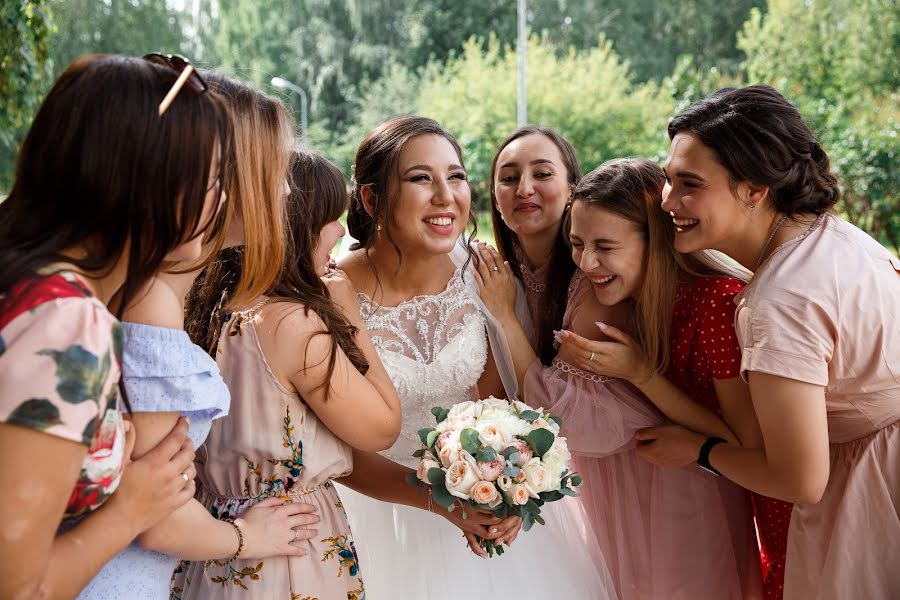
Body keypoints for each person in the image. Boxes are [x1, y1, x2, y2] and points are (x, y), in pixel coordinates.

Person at [636, 84, 900, 599]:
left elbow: (800, 480)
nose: (666, 199)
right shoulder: (832, 235)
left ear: (754, 190)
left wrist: (699, 449)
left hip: (877, 489)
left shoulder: (780, 300)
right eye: (668, 180)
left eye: (689, 184)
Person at [336, 116, 616, 600]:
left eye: (457, 176)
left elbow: (494, 411)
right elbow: (340, 453)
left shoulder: (480, 273)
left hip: (478, 508)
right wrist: (440, 502)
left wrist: (508, 490)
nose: (446, 196)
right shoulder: (337, 292)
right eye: (421, 178)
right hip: (379, 519)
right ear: (371, 198)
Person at [78, 72, 317, 599]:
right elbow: (155, 517)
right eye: (277, 169)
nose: (286, 187)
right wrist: (248, 537)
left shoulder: (162, 288)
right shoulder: (153, 301)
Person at [478, 156, 761, 599]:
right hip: (634, 495)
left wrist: (503, 318)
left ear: (657, 240)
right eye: (576, 244)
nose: (587, 262)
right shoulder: (609, 290)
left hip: (682, 498)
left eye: (605, 247)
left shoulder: (711, 302)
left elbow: (566, 419)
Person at [0, 53, 218, 598]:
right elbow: (17, 586)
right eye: (210, 179)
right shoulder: (68, 320)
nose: (220, 197)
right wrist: (131, 509)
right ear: (147, 179)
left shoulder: (27, 280)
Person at [176, 148, 402, 599]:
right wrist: (349, 316)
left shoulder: (209, 307)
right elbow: (382, 427)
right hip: (289, 553)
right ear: (295, 229)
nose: (339, 231)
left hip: (215, 544)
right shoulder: (290, 323)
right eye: (329, 218)